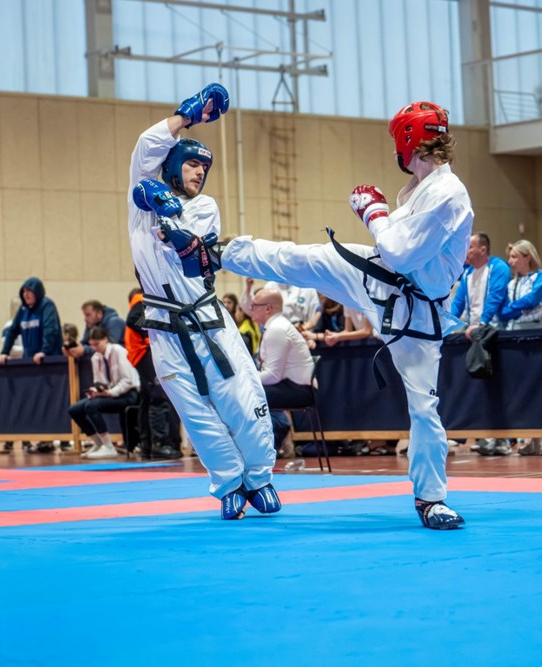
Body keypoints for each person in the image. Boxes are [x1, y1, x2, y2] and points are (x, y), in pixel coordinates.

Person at [207, 100, 472, 529]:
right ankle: (218, 253)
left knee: (424, 407)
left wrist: (373, 211)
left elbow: (399, 252)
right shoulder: (418, 190)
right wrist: (381, 213)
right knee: (304, 260)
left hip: (416, 310)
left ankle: (431, 500)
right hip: (379, 280)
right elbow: (394, 250)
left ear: (407, 141)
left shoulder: (448, 193)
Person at [128, 82, 280, 519]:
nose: (199, 172)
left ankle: (259, 477)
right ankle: (230, 483)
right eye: (192, 163)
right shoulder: (140, 201)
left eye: (204, 167)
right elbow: (145, 146)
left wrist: (169, 214)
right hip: (164, 327)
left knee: (241, 398)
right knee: (195, 414)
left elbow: (192, 254)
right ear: (172, 165)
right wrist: (188, 116)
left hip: (207, 321)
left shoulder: (205, 206)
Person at [250, 287, 315, 459]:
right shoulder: (276, 326)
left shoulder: (277, 329)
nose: (250, 309)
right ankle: (260, 447)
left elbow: (272, 375)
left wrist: (245, 379)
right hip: (294, 386)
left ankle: (259, 450)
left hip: (299, 391)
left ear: (268, 308)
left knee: (244, 395)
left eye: (255, 305)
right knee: (246, 393)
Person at [126, 288, 182, 460]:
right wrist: (154, 330)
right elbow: (132, 320)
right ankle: (160, 444)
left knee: (147, 399)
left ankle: (148, 445)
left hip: (140, 354)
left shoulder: (142, 300)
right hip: (144, 353)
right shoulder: (141, 297)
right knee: (159, 397)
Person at [67, 327, 140, 459]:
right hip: (112, 393)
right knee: (74, 410)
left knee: (91, 406)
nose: (94, 348)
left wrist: (109, 393)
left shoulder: (119, 351)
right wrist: (96, 391)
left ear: (105, 339)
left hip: (128, 394)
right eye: (92, 345)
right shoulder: (96, 357)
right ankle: (98, 442)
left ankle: (108, 446)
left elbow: (128, 381)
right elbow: (100, 382)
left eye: (97, 344)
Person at [449, 232, 510, 338]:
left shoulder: (498, 267)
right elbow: (458, 303)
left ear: (482, 250)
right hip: (472, 329)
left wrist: (482, 323)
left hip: (493, 329)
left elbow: (494, 297)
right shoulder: (467, 273)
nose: (465, 251)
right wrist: (446, 325)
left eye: (470, 247)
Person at [0, 277, 62, 365]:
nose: (25, 295)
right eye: (24, 291)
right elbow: (12, 331)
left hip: (49, 360)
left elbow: (50, 330)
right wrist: (4, 352)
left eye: (29, 291)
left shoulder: (47, 305)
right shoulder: (23, 310)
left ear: (37, 292)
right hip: (30, 360)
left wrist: (44, 352)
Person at [498, 239, 542, 331]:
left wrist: (511, 306)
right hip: (512, 328)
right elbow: (502, 313)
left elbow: (531, 300)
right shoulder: (511, 283)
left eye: (514, 257)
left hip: (535, 329)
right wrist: (522, 310)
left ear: (527, 258)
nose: (509, 261)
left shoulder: (541, 277)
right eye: (509, 257)